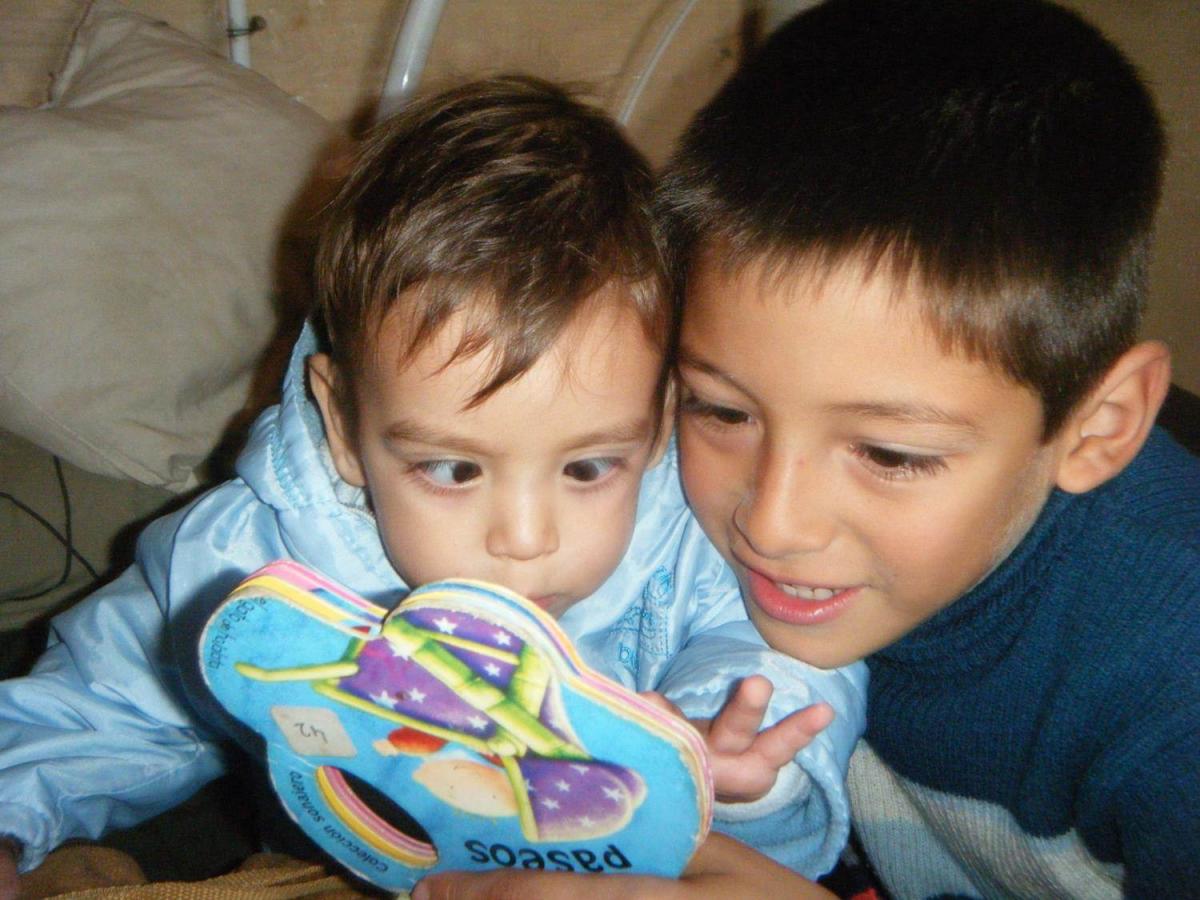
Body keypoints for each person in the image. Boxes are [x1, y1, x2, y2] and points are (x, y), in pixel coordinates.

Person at [0, 76, 866, 898]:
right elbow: (100, 704)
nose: (526, 538)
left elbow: (768, 665)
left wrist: (743, 777)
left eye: (589, 467)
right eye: (453, 468)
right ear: (342, 427)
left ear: (660, 413)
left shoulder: (695, 527)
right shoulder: (242, 559)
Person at [418, 1, 1199, 897]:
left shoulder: (1177, 680)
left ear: (1098, 429)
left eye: (892, 455)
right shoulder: (635, 494)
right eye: (719, 410)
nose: (773, 522)